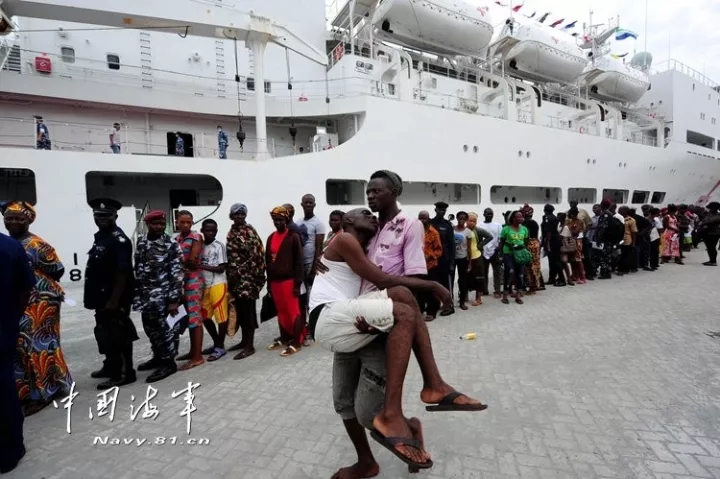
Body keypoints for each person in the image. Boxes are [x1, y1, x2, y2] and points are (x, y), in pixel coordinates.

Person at [327, 170, 485, 479]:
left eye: (377, 191)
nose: (371, 195)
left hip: (379, 325)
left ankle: (411, 427)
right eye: (368, 191)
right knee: (342, 401)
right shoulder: (370, 228)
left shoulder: (409, 226)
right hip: (349, 320)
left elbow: (413, 281)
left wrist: (392, 315)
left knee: (367, 412)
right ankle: (366, 462)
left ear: (395, 192)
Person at [2, 201, 71, 416]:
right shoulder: (9, 243)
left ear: (28, 220)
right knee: (20, 346)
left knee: (35, 346)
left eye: (19, 218)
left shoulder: (36, 244)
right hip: (18, 301)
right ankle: (28, 390)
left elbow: (57, 269)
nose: (13, 222)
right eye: (9, 218)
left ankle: (42, 394)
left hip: (41, 302)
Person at [84, 198, 138, 389]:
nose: (102, 218)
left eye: (107, 215)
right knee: (104, 332)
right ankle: (110, 365)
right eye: (98, 215)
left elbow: (122, 272)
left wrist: (115, 300)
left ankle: (124, 373)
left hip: (114, 298)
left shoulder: (119, 240)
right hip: (102, 296)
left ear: (115, 216)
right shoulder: (102, 236)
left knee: (118, 335)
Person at [132, 210, 184, 383]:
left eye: (162, 224)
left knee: (167, 330)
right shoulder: (142, 242)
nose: (159, 227)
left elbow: (177, 274)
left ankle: (168, 363)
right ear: (148, 224)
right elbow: (138, 266)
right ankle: (158, 357)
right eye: (155, 224)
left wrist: (174, 300)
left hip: (164, 298)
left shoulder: (171, 245)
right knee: (151, 329)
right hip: (146, 297)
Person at [0, 231, 35, 474]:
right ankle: (9, 451)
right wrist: (12, 318)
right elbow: (25, 290)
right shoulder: (10, 246)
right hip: (3, 329)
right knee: (3, 390)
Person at [225, 204, 266, 360]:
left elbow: (256, 255)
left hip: (248, 280)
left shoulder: (249, 231)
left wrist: (241, 272)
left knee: (248, 312)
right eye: (236, 214)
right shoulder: (232, 231)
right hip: (236, 280)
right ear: (232, 216)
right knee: (241, 312)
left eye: (242, 214)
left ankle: (250, 346)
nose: (239, 216)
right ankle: (243, 341)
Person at [266, 206, 305, 357]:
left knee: (294, 311)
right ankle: (284, 337)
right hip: (275, 282)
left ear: (286, 219)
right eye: (275, 220)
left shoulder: (293, 237)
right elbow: (268, 261)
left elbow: (299, 262)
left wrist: (297, 284)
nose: (278, 222)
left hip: (289, 281)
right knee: (281, 311)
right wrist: (269, 284)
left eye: (280, 220)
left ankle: (297, 342)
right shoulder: (271, 237)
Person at [174, 210, 206, 370]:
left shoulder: (196, 237)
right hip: (182, 281)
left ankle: (197, 357)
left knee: (195, 318)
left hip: (194, 281)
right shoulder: (177, 239)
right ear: (177, 223)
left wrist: (177, 264)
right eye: (183, 222)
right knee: (189, 318)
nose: (186, 225)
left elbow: (192, 261)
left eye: (189, 222)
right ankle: (193, 351)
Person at [199, 219, 229, 361]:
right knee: (205, 316)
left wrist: (201, 266)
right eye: (208, 230)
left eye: (213, 230)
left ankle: (220, 347)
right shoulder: (199, 246)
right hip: (204, 285)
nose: (211, 233)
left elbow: (221, 268)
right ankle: (217, 342)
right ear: (202, 231)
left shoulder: (219, 246)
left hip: (218, 284)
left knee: (221, 317)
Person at [298, 194, 326, 344]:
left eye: (310, 203)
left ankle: (314, 329)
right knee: (301, 298)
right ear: (301, 204)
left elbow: (319, 247)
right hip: (299, 265)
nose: (308, 205)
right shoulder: (298, 222)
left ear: (314, 205)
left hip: (310, 265)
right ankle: (303, 327)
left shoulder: (318, 224)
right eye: (306, 202)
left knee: (311, 298)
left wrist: (314, 269)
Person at [430, 202, 455, 316]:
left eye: (443, 210)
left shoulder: (447, 225)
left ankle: (449, 305)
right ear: (435, 210)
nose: (442, 212)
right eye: (439, 210)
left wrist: (452, 262)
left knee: (446, 282)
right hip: (432, 257)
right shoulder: (430, 223)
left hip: (444, 257)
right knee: (434, 281)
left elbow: (452, 244)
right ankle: (434, 305)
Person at [498, 211, 530, 304]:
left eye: (521, 216)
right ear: (512, 218)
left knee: (520, 274)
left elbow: (526, 241)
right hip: (508, 253)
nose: (521, 218)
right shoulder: (506, 229)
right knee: (510, 272)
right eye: (518, 217)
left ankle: (518, 296)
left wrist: (524, 251)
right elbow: (501, 243)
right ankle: (505, 295)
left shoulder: (524, 229)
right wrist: (500, 255)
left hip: (520, 254)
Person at [417, 211, 444, 321]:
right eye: (420, 218)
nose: (422, 220)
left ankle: (432, 312)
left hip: (431, 266)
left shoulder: (434, 233)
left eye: (424, 218)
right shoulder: (415, 231)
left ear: (428, 219)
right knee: (419, 290)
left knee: (431, 290)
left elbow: (439, 250)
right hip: (418, 266)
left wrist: (430, 256)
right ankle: (419, 311)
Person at [480, 208, 504, 297]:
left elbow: (501, 238)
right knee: (484, 272)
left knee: (497, 272)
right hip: (484, 252)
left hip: (495, 251)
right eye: (487, 213)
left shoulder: (498, 225)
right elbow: (479, 238)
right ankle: (484, 290)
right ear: (484, 214)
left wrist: (499, 248)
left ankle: (497, 290)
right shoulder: (480, 225)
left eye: (491, 214)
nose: (489, 215)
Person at [452, 211, 474, 310]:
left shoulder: (468, 232)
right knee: (450, 280)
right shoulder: (452, 230)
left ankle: (462, 301)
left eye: (464, 219)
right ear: (457, 218)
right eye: (460, 218)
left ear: (466, 220)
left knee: (462, 280)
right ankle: (449, 300)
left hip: (463, 258)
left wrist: (470, 263)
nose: (461, 220)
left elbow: (469, 248)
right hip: (452, 259)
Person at [541, 204, 566, 287]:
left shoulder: (547, 218)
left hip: (551, 241)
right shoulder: (554, 217)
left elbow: (548, 231)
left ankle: (561, 279)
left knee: (555, 261)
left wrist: (547, 243)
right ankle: (552, 278)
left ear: (545, 210)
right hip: (555, 241)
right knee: (553, 261)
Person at [521, 204, 543, 293]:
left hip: (529, 245)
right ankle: (536, 284)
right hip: (536, 244)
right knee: (536, 265)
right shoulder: (535, 223)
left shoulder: (525, 224)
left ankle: (532, 287)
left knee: (529, 266)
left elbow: (526, 236)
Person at [697, 201, 720, 266]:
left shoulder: (717, 215)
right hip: (707, 233)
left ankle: (713, 261)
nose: (710, 209)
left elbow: (710, 221)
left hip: (714, 233)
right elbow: (703, 220)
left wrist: (704, 223)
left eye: (711, 208)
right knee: (709, 247)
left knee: (712, 247)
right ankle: (711, 260)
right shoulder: (709, 214)